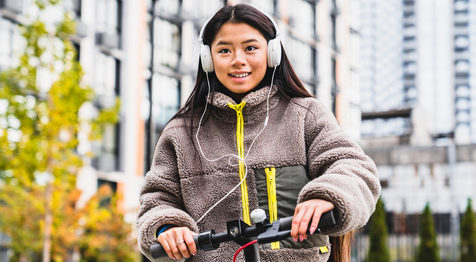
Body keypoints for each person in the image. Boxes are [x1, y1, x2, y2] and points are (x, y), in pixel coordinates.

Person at [137, 4, 380, 262]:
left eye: (250, 48)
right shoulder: (181, 132)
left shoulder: (305, 114)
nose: (238, 59)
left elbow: (355, 168)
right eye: (224, 50)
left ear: (271, 53)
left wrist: (326, 196)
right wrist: (166, 227)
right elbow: (156, 200)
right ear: (208, 59)